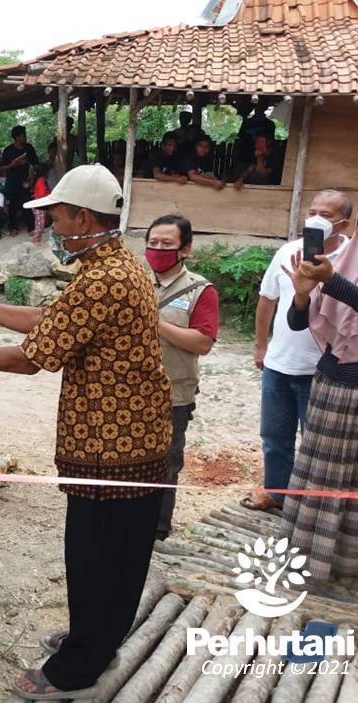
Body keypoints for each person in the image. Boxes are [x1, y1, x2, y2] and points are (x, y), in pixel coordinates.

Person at [0, 164, 171, 699]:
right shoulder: (114, 265)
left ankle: (80, 667)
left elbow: (31, 359)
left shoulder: (103, 279)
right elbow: (49, 320)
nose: (52, 224)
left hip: (113, 446)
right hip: (129, 440)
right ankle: (95, 636)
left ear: (82, 215)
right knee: (116, 554)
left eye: (57, 215)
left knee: (96, 554)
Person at [280, 184, 358, 581]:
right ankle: (307, 560)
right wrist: (301, 295)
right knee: (319, 474)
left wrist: (331, 281)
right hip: (331, 387)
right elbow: (300, 322)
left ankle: (350, 564)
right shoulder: (341, 258)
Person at [245, 191, 352, 512]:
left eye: (326, 214)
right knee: (274, 436)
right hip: (279, 363)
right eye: (312, 212)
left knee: (318, 443)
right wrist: (261, 344)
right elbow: (267, 299)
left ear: (343, 223)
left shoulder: (353, 258)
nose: (316, 219)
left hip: (325, 367)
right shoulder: (287, 252)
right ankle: (277, 494)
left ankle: (312, 505)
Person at [145, 215, 219, 540]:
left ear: (185, 249)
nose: (157, 250)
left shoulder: (200, 291)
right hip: (127, 391)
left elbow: (202, 342)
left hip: (173, 394)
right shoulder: (135, 280)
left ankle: (157, 530)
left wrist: (155, 322)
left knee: (165, 463)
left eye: (166, 244)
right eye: (152, 243)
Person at [0, 125, 39, 236]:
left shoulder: (29, 148)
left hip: (25, 182)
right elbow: (1, 168)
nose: (25, 137)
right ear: (16, 137)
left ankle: (31, 227)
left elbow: (36, 165)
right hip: (11, 182)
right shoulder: (9, 150)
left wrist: (31, 178)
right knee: (12, 206)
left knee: (26, 204)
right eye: (23, 135)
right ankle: (13, 227)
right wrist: (13, 164)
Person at [31, 168, 49, 244]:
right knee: (40, 224)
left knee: (39, 222)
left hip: (38, 205)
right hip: (39, 206)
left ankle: (37, 236)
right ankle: (36, 239)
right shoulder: (41, 181)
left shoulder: (39, 181)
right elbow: (42, 194)